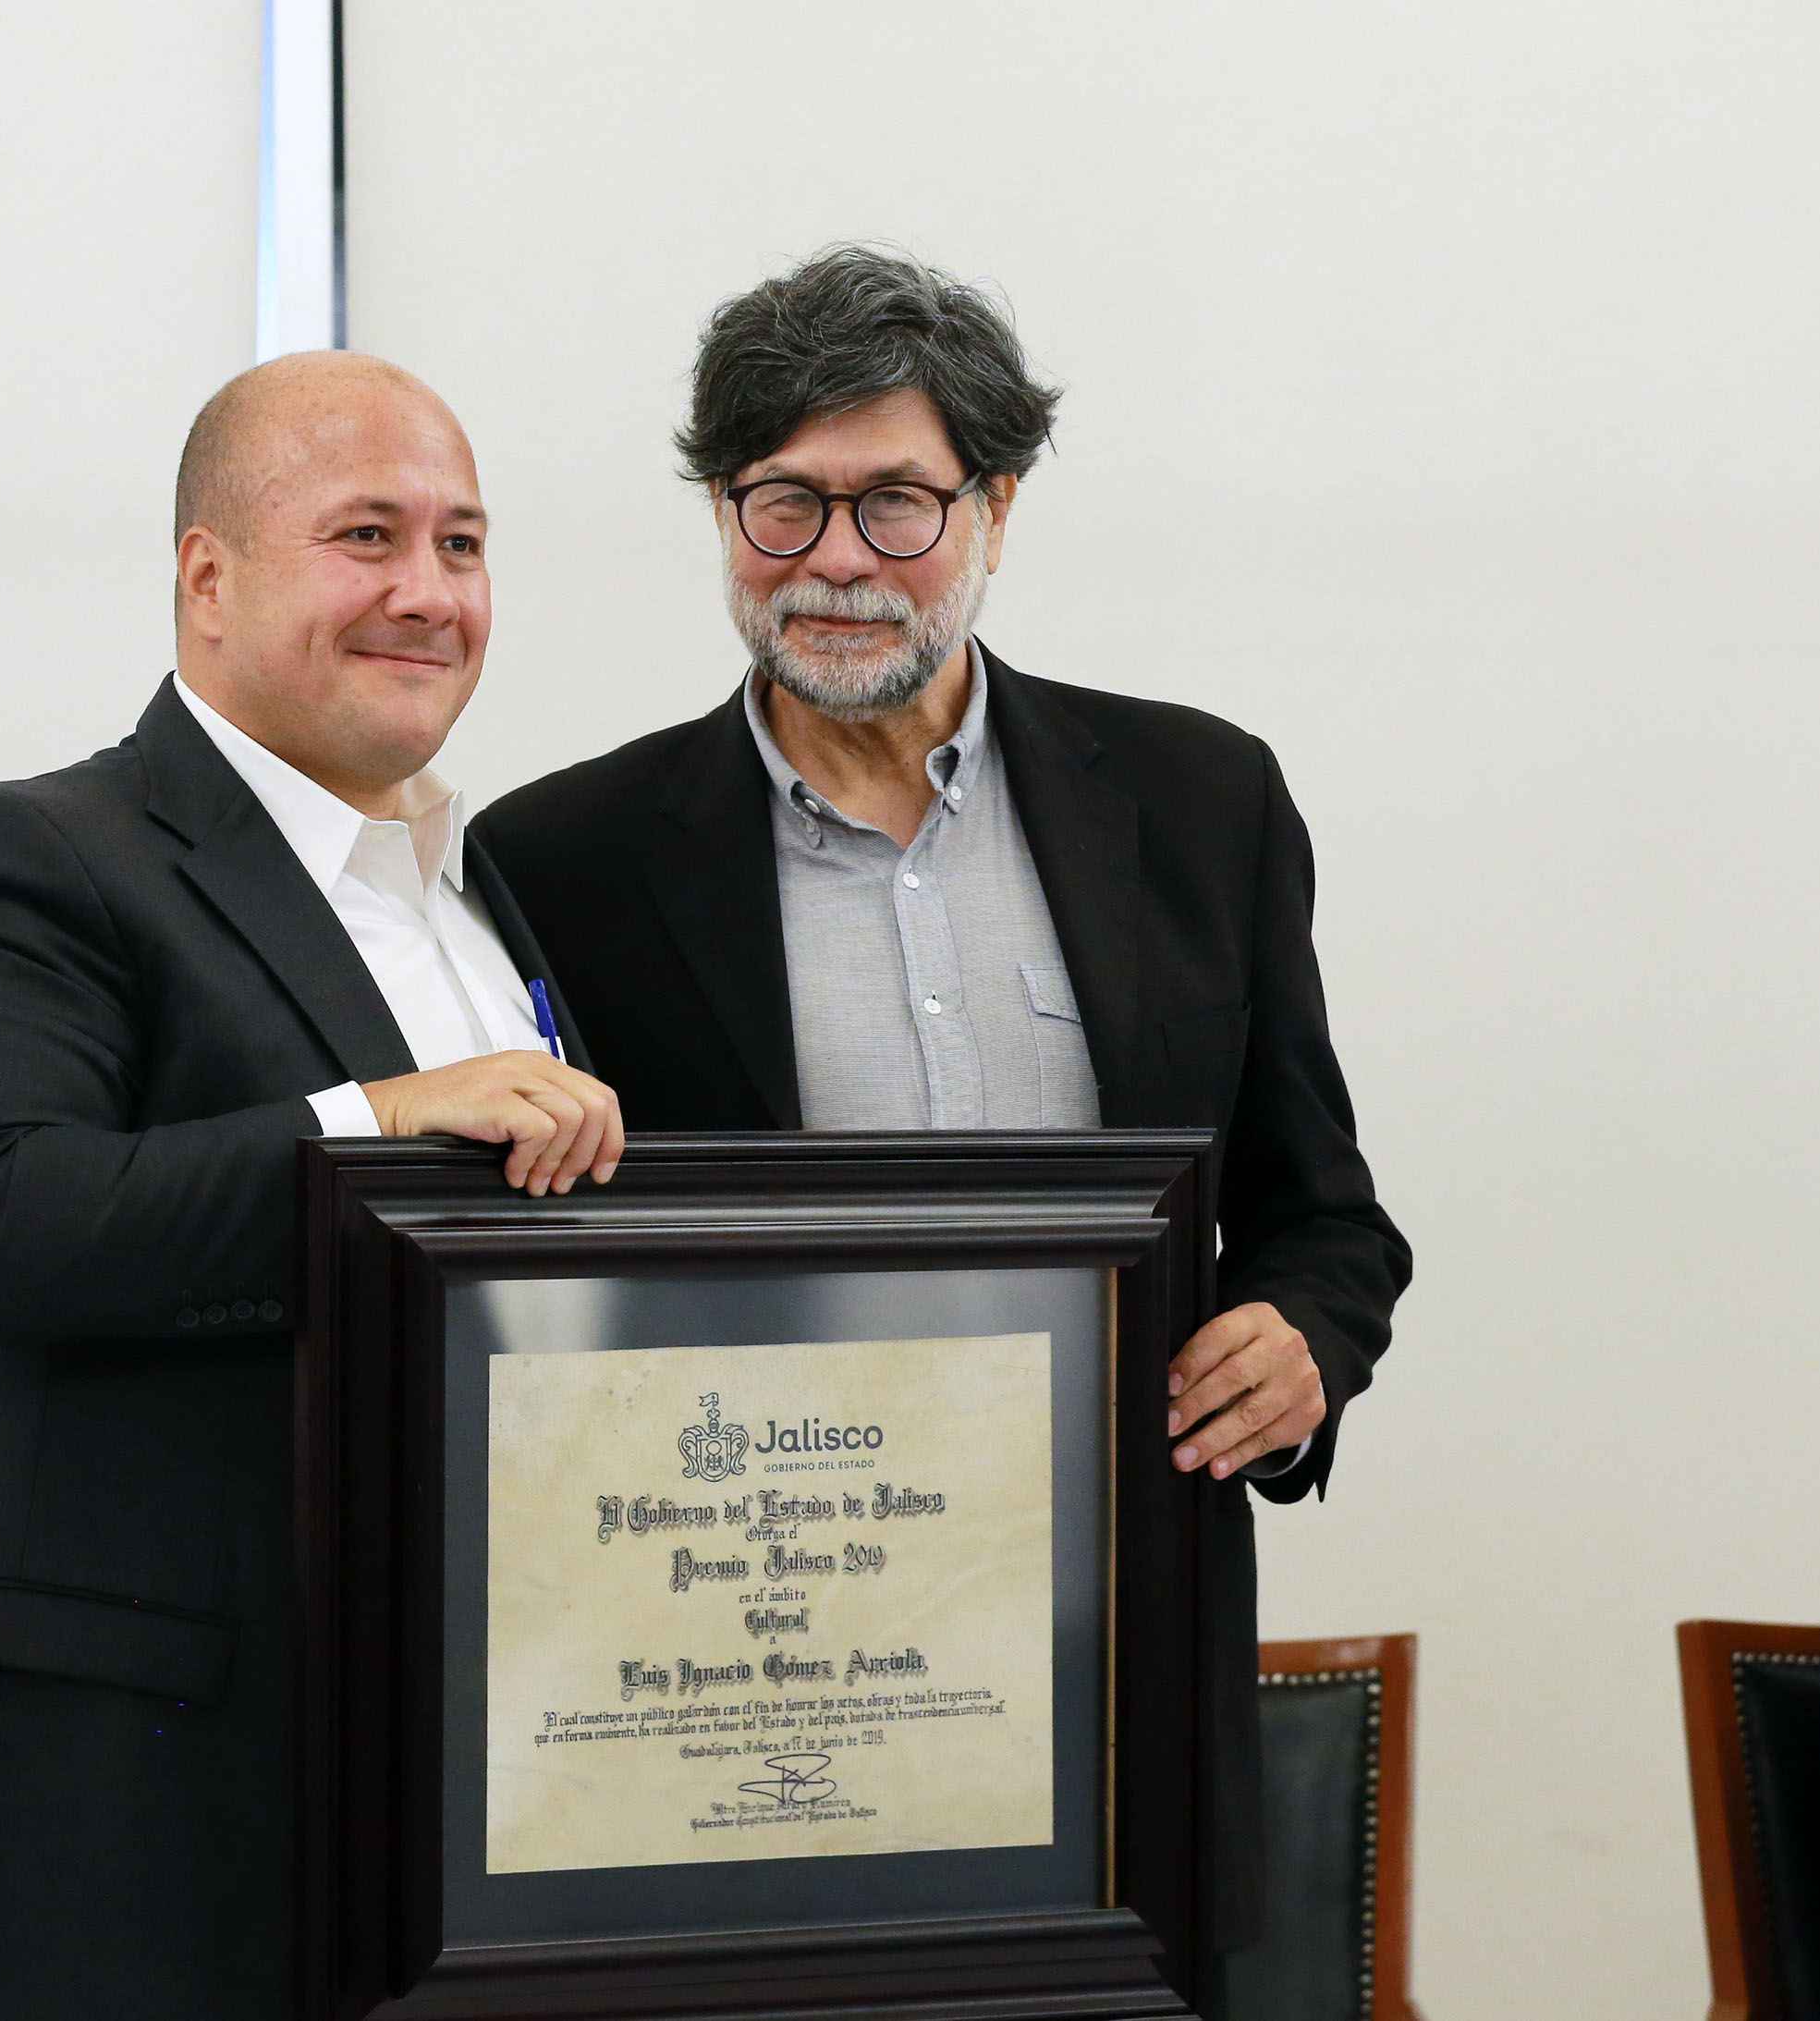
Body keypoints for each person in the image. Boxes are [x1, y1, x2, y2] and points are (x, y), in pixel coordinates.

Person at [472, 246, 1411, 1992]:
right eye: (781, 501)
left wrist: (1301, 1340)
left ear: (995, 508)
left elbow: (1321, 1214)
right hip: (729, 1692)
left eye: (894, 501)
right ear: (720, 513)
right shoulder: (561, 861)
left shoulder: (1201, 801)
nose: (834, 558)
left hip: (1116, 1650)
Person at [0, 352, 625, 2021]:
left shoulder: (479, 905)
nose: (429, 590)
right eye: (366, 534)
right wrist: (378, 1126)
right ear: (207, 577)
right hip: (99, 1866)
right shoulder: (31, 859)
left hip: (448, 1839)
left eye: (461, 543)